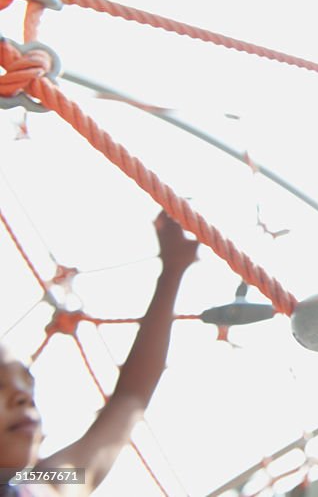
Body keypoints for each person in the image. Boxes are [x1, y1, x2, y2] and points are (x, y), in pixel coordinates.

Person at [1, 210, 198, 496]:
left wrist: (173, 270)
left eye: (27, 381)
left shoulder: (48, 485)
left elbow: (130, 399)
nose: (23, 396)